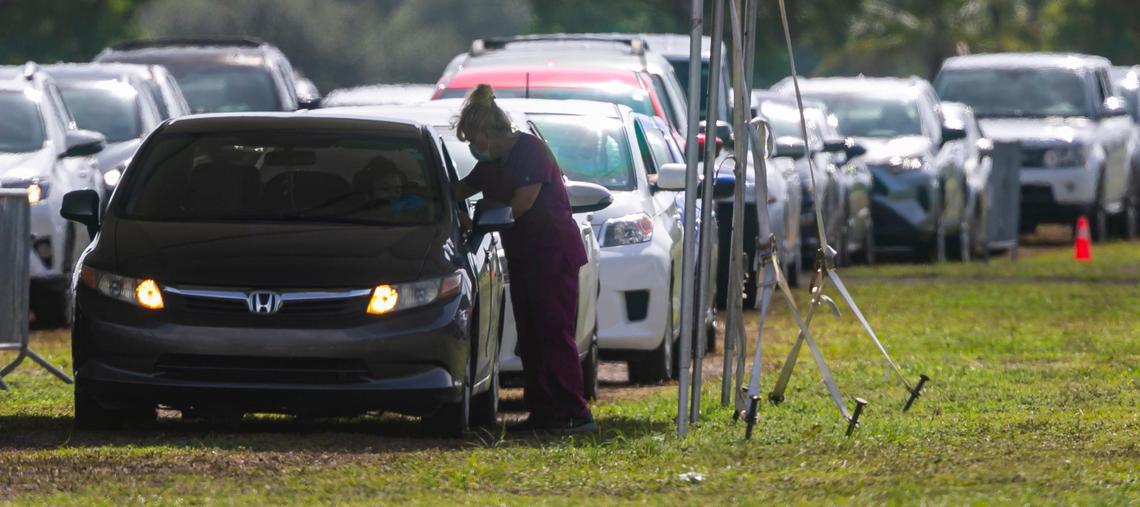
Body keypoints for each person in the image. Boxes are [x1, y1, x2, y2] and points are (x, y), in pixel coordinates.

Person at [452, 84, 597, 434]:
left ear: (485, 132)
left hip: (552, 254)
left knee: (552, 331)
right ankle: (544, 410)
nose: (473, 147)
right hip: (525, 256)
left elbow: (523, 202)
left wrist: (484, 221)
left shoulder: (531, 152)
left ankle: (574, 412)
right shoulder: (491, 164)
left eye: (473, 139)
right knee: (531, 335)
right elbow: (460, 188)